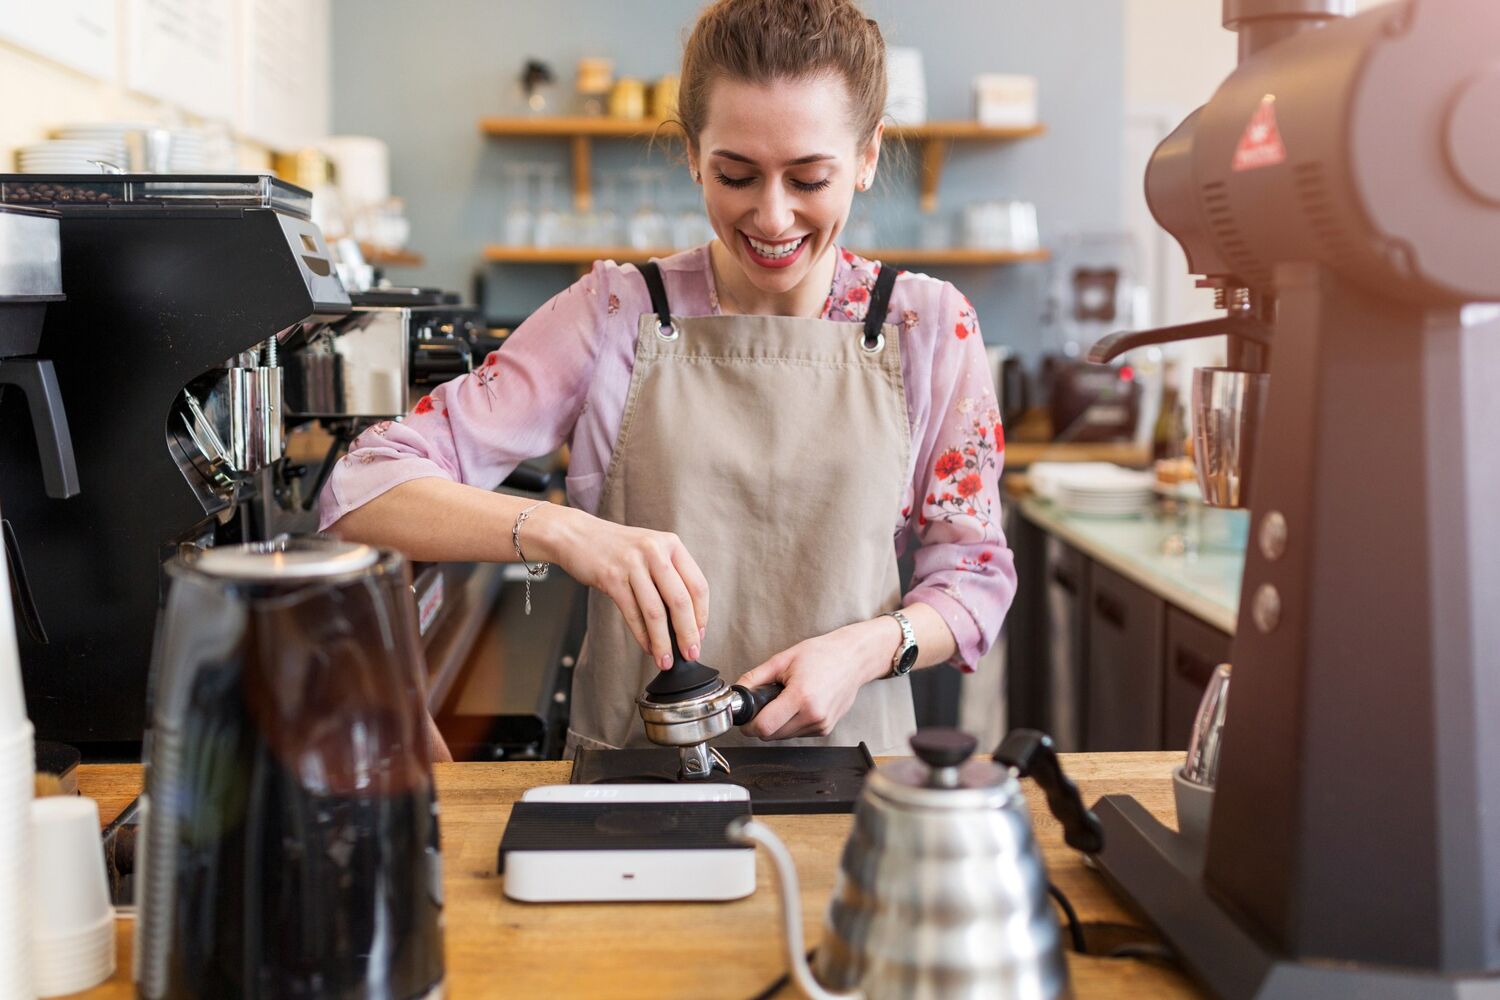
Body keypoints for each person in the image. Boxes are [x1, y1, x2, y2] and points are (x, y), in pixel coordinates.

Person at [320, 0, 1016, 756]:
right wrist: (563, 531)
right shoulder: (613, 313)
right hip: (633, 794)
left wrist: (873, 646)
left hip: (853, 785)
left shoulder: (930, 327)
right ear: (692, 153)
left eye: (810, 179)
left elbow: (973, 577)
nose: (774, 217)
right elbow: (359, 489)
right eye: (737, 175)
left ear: (868, 155)